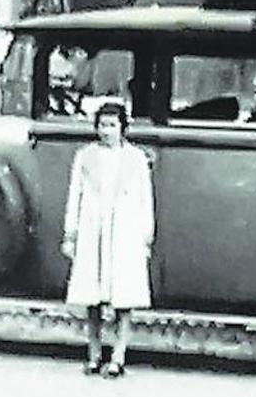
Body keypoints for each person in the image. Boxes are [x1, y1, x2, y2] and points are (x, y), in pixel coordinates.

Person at [61, 101, 154, 378]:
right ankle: (93, 354)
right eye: (102, 125)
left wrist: (145, 236)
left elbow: (144, 199)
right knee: (93, 297)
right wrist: (71, 234)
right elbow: (74, 195)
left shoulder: (135, 159)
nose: (106, 131)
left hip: (125, 232)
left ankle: (118, 356)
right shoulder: (85, 157)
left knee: (123, 297)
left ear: (123, 128)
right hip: (93, 230)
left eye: (112, 125)